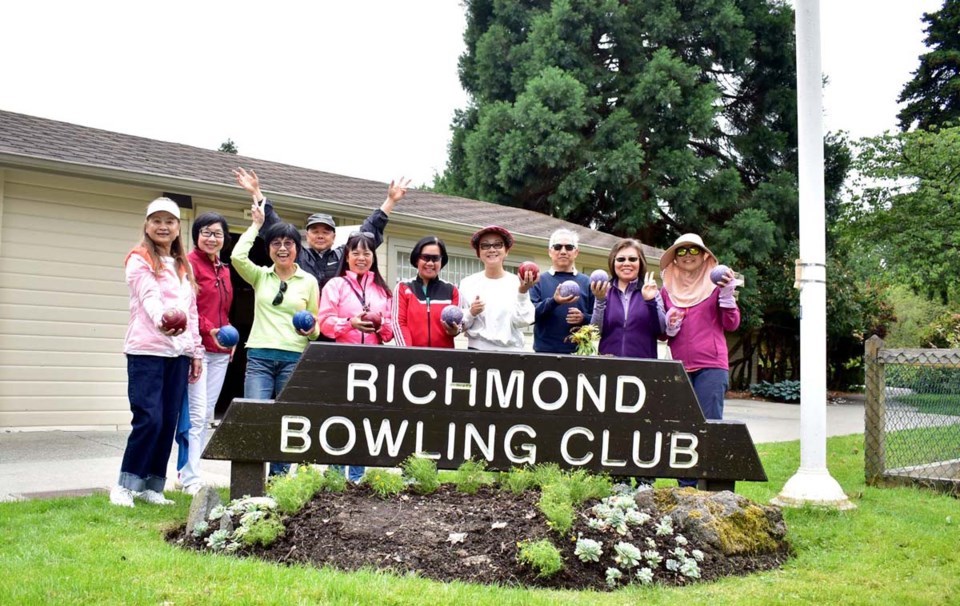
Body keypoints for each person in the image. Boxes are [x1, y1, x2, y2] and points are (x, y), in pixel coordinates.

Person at [110, 198, 204, 507]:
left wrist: (195, 353)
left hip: (177, 354)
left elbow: (190, 314)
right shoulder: (139, 259)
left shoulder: (181, 266)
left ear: (178, 228)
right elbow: (149, 297)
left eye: (170, 221)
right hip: (147, 351)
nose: (163, 226)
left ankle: (152, 485)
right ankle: (124, 485)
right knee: (148, 418)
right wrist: (163, 321)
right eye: (157, 221)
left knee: (167, 421)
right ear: (147, 225)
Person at [232, 199, 320, 476]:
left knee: (287, 421)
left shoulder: (308, 281)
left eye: (288, 243)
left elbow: (315, 325)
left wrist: (311, 331)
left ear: (297, 248)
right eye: (276, 243)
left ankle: (279, 478)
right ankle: (252, 479)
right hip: (259, 357)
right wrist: (256, 225)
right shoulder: (260, 276)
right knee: (254, 418)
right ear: (269, 248)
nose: (282, 248)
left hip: (293, 358)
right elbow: (237, 258)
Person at [232, 166, 410, 294]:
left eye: (325, 232)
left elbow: (369, 231)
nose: (320, 235)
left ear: (334, 237)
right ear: (307, 236)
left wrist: (390, 202)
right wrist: (256, 191)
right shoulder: (298, 254)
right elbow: (274, 226)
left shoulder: (343, 256)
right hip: (302, 320)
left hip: (336, 320)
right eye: (315, 231)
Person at [318, 232, 395, 482]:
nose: (361, 258)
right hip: (342, 359)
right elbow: (325, 323)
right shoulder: (335, 285)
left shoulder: (383, 291)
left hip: (372, 363)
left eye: (367, 253)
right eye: (356, 253)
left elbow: (390, 330)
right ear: (347, 257)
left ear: (373, 257)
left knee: (365, 417)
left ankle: (358, 476)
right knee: (339, 417)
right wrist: (350, 323)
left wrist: (380, 325)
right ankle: (336, 474)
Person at [176, 212, 235, 496]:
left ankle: (190, 472)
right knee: (197, 415)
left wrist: (228, 335)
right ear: (197, 235)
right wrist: (212, 330)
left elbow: (222, 310)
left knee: (206, 413)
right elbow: (190, 309)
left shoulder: (223, 269)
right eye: (207, 232)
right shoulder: (188, 264)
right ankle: (189, 477)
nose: (212, 238)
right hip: (196, 348)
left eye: (218, 233)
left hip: (220, 351)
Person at [659, 233, 741, 425]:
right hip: (678, 366)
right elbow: (661, 334)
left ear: (704, 255)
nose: (688, 255)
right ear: (675, 259)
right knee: (680, 425)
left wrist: (727, 297)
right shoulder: (666, 290)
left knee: (708, 426)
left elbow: (732, 324)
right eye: (681, 251)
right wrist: (668, 326)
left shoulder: (717, 285)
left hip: (711, 367)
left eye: (694, 249)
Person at [458, 226, 536, 351]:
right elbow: (460, 325)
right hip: (476, 352)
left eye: (498, 245)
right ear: (478, 253)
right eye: (485, 245)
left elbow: (524, 321)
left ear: (506, 251)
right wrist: (471, 312)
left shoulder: (518, 282)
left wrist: (522, 292)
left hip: (511, 353)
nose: (492, 249)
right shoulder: (467, 283)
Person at [590, 238, 665, 359]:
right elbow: (595, 331)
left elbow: (661, 329)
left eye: (632, 259)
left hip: (644, 365)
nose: (626, 263)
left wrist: (650, 301)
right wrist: (600, 300)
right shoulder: (605, 291)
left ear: (640, 262)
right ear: (613, 262)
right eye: (621, 259)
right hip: (609, 364)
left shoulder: (651, 290)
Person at [529, 228, 594, 353]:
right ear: (550, 252)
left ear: (576, 252)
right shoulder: (538, 281)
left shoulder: (587, 282)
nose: (563, 251)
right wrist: (554, 301)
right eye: (557, 247)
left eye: (569, 247)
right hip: (544, 353)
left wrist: (583, 318)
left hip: (579, 354)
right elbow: (529, 316)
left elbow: (598, 320)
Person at [392, 236, 461, 348]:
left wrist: (455, 331)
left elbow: (459, 324)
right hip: (411, 357)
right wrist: (406, 353)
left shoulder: (452, 290)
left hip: (444, 359)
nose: (430, 263)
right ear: (416, 259)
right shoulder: (403, 288)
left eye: (435, 258)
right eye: (425, 257)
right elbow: (398, 323)